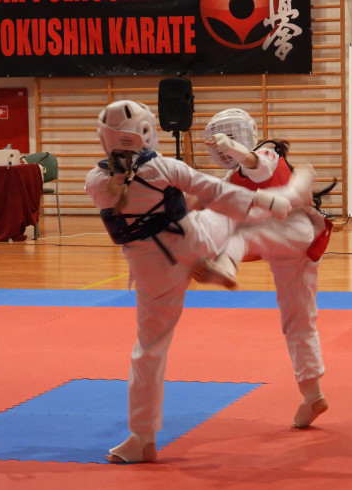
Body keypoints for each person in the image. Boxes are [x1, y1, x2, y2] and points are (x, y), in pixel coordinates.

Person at [84, 100, 313, 464]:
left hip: (151, 269)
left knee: (149, 349)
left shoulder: (94, 182)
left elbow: (129, 196)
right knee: (228, 213)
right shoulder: (163, 167)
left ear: (104, 140)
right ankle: (253, 231)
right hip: (195, 241)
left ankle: (142, 437)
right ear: (144, 133)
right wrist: (270, 202)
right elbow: (215, 192)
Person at [195, 108, 331, 429]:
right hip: (290, 246)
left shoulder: (265, 153)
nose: (220, 150)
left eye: (226, 141)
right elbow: (210, 199)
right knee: (298, 320)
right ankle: (312, 395)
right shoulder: (231, 178)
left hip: (292, 226)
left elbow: (254, 164)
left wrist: (231, 147)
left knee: (240, 231)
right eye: (217, 145)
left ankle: (225, 264)